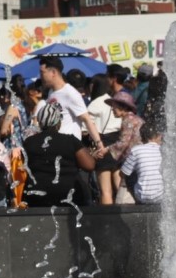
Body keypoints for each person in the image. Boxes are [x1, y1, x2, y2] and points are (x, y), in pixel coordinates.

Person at [22, 102, 95, 207]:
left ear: (40, 122)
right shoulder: (70, 141)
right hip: (69, 195)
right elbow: (89, 165)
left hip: (37, 196)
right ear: (58, 123)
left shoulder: (29, 142)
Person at [40, 56, 105, 149]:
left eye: (42, 73)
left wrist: (99, 144)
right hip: (55, 146)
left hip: (69, 148)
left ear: (53, 72)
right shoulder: (51, 92)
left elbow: (87, 119)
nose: (40, 76)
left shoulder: (70, 93)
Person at [86, 74, 122, 205]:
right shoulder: (113, 100)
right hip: (118, 141)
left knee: (106, 191)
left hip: (103, 142)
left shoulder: (94, 105)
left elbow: (87, 129)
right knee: (119, 186)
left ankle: (107, 221)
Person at [121, 123, 164, 204]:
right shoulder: (164, 150)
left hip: (142, 197)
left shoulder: (136, 150)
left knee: (129, 173)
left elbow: (123, 174)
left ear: (141, 138)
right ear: (158, 136)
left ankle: (137, 201)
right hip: (161, 197)